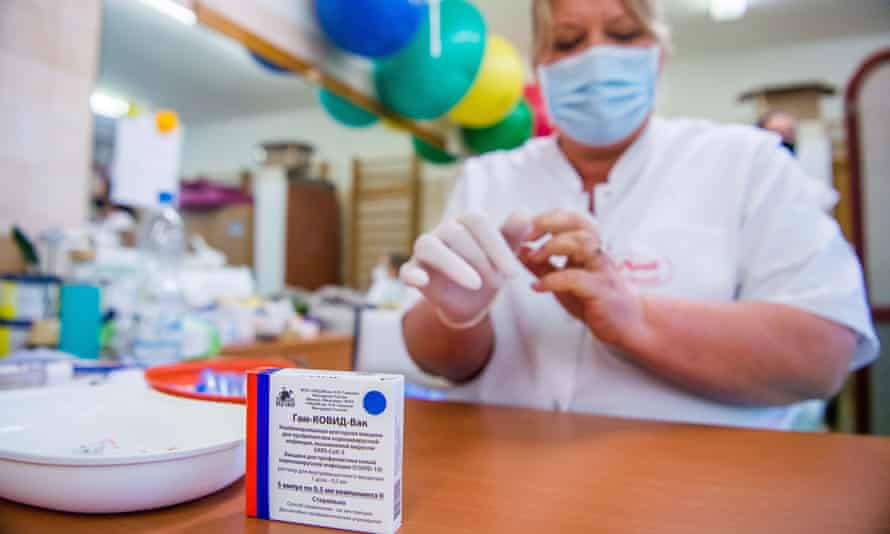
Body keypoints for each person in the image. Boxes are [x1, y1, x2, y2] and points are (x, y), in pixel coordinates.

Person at [396, 0, 879, 430]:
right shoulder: (487, 179)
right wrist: (456, 317)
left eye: (624, 34)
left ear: (659, 54)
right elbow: (436, 362)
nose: (596, 56)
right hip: (506, 482)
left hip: (705, 494)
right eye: (568, 40)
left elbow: (822, 356)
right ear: (540, 65)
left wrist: (636, 321)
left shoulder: (750, 164)